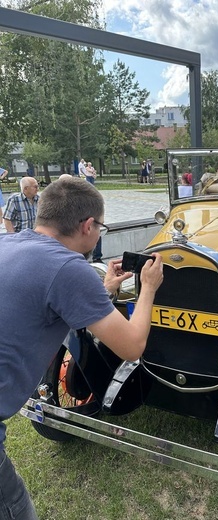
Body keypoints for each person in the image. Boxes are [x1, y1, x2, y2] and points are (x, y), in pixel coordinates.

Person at [0, 177, 163, 519]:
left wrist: (105, 289)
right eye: (101, 226)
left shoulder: (7, 244)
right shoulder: (69, 268)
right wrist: (148, 287)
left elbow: (51, 302)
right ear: (88, 225)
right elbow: (132, 347)